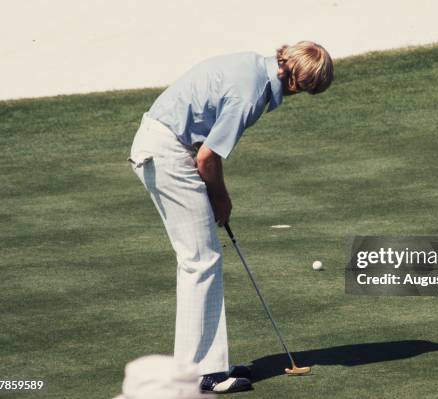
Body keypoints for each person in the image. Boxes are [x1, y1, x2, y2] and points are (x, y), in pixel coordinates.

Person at [128, 41, 333, 394]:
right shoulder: (250, 93)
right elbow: (207, 157)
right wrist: (220, 197)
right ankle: (200, 374)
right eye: (308, 90)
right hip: (167, 151)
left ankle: (207, 366)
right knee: (200, 261)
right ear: (297, 83)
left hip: (164, 144)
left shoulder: (254, 66)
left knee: (201, 259)